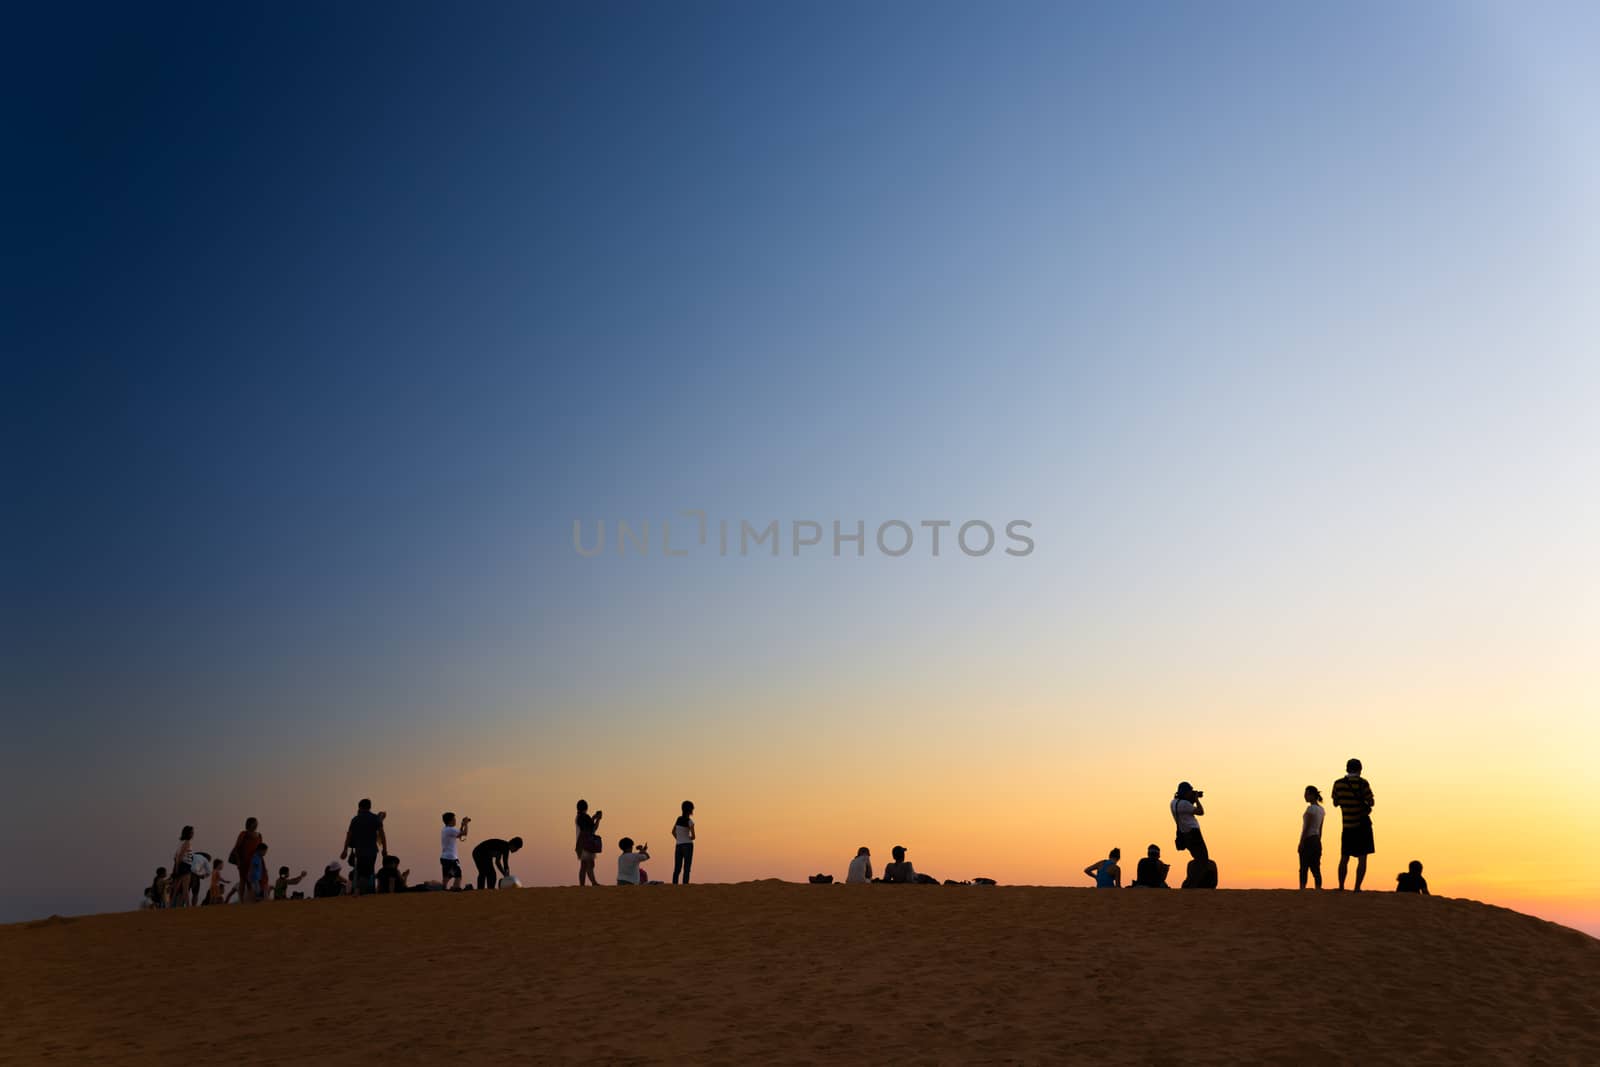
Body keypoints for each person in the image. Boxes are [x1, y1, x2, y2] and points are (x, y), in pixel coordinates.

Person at [1330, 758, 1376, 891]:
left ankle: (1341, 886)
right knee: (1362, 859)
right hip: (1362, 826)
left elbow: (1335, 803)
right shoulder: (1363, 783)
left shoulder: (1338, 784)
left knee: (1344, 858)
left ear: (1347, 769)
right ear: (1360, 769)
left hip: (1347, 826)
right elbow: (1371, 802)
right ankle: (1357, 887)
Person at [341, 799, 387, 896]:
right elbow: (382, 834)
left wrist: (345, 850)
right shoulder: (375, 818)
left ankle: (358, 890)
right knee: (368, 871)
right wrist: (385, 849)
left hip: (359, 850)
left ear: (359, 807)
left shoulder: (355, 819)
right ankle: (361, 891)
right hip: (371, 850)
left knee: (361, 871)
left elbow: (349, 835)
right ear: (370, 807)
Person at [1171, 782, 1208, 862]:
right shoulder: (1185, 804)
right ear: (1185, 792)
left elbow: (1185, 811)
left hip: (1184, 834)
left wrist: (1191, 800)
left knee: (1197, 858)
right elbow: (1201, 812)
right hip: (1194, 833)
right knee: (1203, 858)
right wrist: (1196, 800)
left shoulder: (1173, 803)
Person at [1299, 785, 1326, 890]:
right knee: (1316, 868)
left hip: (1308, 839)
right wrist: (1319, 841)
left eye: (1306, 794)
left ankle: (1302, 888)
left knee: (1304, 867)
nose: (1305, 796)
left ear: (1312, 795)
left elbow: (1306, 827)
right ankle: (1318, 888)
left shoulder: (1311, 809)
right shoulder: (1321, 810)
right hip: (1316, 840)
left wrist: (1301, 842)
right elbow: (1320, 829)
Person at [230, 818, 262, 904]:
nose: (256, 825)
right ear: (249, 824)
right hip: (244, 862)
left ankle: (251, 899)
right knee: (243, 881)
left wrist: (260, 862)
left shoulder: (259, 835)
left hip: (254, 862)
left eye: (256, 823)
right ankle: (242, 901)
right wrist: (238, 861)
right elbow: (237, 848)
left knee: (252, 881)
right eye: (254, 823)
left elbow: (260, 850)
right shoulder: (244, 834)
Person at [575, 800, 604, 886]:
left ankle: (582, 885)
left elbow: (586, 826)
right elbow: (593, 828)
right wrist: (598, 819)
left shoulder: (578, 817)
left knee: (584, 866)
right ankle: (594, 882)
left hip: (580, 843)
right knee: (589, 864)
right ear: (586, 808)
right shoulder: (585, 817)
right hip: (587, 843)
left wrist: (594, 817)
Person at [440, 812, 470, 891]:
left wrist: (462, 825)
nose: (455, 821)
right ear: (450, 820)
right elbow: (464, 833)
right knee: (458, 875)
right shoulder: (451, 830)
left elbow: (458, 835)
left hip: (444, 857)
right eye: (454, 819)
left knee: (447, 876)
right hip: (451, 858)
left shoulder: (445, 829)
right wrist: (466, 824)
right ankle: (455, 889)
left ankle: (443, 889)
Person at [170, 826, 195, 908]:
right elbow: (180, 856)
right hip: (184, 865)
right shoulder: (187, 842)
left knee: (177, 887)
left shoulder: (181, 842)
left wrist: (176, 867)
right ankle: (187, 905)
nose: (193, 834)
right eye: (191, 832)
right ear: (188, 833)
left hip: (180, 865)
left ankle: (172, 905)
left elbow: (176, 855)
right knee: (185, 887)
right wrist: (177, 868)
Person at [671, 801, 696, 884]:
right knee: (687, 868)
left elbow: (673, 832)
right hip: (688, 845)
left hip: (678, 845)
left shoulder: (678, 819)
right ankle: (685, 886)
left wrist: (679, 839)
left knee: (677, 868)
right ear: (690, 810)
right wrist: (688, 838)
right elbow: (693, 836)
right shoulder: (690, 821)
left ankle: (674, 885)